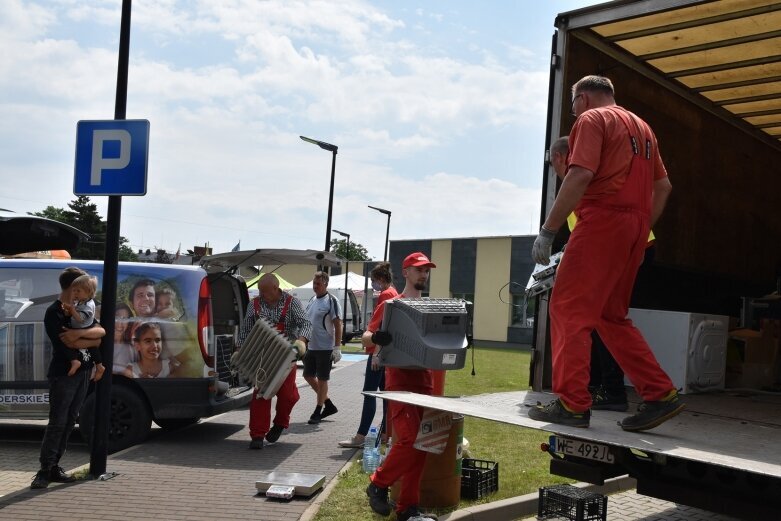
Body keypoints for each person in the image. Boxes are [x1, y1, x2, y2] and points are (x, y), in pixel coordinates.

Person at [530, 75, 681, 432]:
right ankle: (660, 394)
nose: (573, 112)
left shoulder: (591, 119)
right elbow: (663, 186)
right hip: (635, 229)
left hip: (601, 220)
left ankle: (572, 404)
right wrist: (641, 227)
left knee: (568, 309)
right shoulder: (644, 129)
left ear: (581, 99)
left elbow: (580, 173)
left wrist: (548, 231)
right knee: (611, 316)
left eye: (572, 105)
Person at [549, 136, 657, 412]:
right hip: (631, 247)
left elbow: (596, 235)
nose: (557, 171)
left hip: (622, 250)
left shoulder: (580, 185)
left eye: (553, 164)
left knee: (586, 318)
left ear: (561, 158)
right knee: (605, 321)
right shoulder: (597, 181)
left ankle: (595, 395)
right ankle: (646, 391)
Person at [365, 252, 439, 521]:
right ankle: (378, 483)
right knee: (407, 440)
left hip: (425, 382)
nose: (424, 274)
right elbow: (365, 338)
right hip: (400, 383)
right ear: (406, 272)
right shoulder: (392, 305)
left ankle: (407, 509)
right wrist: (376, 337)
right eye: (419, 269)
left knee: (421, 446)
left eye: (426, 270)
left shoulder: (432, 308)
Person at [31, 267, 107, 490]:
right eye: (83, 287)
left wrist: (80, 336)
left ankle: (55, 466)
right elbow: (64, 342)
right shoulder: (54, 311)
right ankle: (45, 470)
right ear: (75, 287)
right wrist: (84, 338)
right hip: (63, 374)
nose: (88, 292)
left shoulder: (85, 307)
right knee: (58, 421)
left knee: (70, 420)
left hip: (83, 371)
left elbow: (100, 333)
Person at [237, 273, 312, 449]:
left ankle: (280, 423)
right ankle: (257, 435)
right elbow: (246, 328)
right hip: (262, 357)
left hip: (287, 357)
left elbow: (306, 323)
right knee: (261, 395)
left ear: (276, 288)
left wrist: (301, 341)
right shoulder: (254, 304)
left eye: (265, 292)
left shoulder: (292, 303)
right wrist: (239, 349)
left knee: (287, 396)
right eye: (260, 292)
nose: (262, 295)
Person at [338, 261, 397, 448]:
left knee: (369, 395)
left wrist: (376, 354)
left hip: (377, 353)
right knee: (386, 396)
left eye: (373, 281)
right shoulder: (394, 293)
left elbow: (380, 328)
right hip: (386, 354)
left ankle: (361, 437)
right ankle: (387, 434)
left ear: (381, 279)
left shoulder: (387, 296)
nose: (373, 285)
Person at [303, 271, 342, 425]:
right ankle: (329, 404)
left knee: (322, 379)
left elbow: (338, 325)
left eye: (318, 284)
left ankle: (318, 410)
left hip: (326, 348)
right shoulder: (312, 300)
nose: (315, 286)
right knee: (307, 375)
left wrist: (337, 347)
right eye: (314, 283)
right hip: (311, 346)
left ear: (326, 284)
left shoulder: (331, 301)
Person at [61, 274, 106, 382]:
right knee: (91, 347)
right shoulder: (82, 301)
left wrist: (72, 310)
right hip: (80, 327)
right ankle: (96, 365)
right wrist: (69, 310)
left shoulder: (88, 305)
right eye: (74, 290)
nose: (75, 293)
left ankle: (96, 365)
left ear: (89, 292)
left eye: (78, 291)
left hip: (84, 327)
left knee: (67, 342)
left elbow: (80, 319)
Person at [112, 303, 137, 374]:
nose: (120, 323)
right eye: (117, 318)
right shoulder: (99, 343)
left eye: (125, 319)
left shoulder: (132, 349)